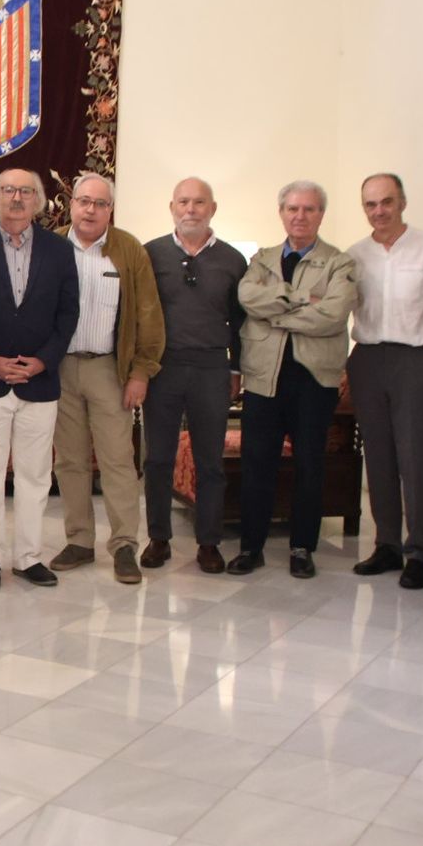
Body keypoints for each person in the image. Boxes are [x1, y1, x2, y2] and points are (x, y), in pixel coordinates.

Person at [231, 180, 358, 579]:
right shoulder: (262, 259)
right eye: (293, 209)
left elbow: (333, 316)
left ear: (321, 214)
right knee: (257, 464)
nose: (300, 216)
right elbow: (248, 298)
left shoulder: (340, 262)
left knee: (309, 465)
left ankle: (302, 547)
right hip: (263, 378)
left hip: (312, 380)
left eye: (309, 209)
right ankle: (251, 547)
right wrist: (304, 299)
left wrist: (275, 311)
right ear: (281, 212)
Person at [0, 169, 79, 589]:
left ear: (38, 201)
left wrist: (44, 361)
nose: (16, 198)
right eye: (8, 190)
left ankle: (29, 557)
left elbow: (68, 315)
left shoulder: (60, 251)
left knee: (35, 475)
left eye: (26, 191)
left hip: (39, 382)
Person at [50, 173, 164, 585]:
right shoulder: (54, 246)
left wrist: (141, 373)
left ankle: (124, 545)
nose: (90, 210)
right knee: (70, 460)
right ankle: (79, 540)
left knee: (118, 460)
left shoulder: (128, 250)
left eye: (99, 203)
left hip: (110, 369)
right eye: (83, 201)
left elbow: (149, 315)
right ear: (71, 204)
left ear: (109, 209)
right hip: (60, 369)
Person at [346, 173, 423, 590]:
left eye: (386, 202)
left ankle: (419, 552)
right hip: (368, 358)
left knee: (415, 459)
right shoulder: (355, 255)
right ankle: (387, 544)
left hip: (415, 357)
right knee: (380, 458)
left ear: (402, 202)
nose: (379, 211)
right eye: (370, 204)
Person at [141, 177, 246, 574]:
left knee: (209, 461)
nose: (191, 209)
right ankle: (158, 539)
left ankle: (209, 542)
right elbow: (139, 314)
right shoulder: (150, 254)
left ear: (212, 209)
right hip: (162, 368)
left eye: (199, 202)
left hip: (211, 369)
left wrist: (236, 368)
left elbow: (240, 321)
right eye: (183, 202)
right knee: (158, 458)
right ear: (171, 207)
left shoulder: (234, 260)